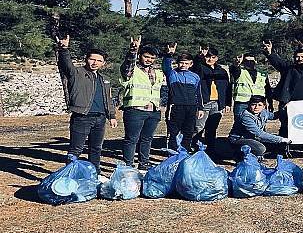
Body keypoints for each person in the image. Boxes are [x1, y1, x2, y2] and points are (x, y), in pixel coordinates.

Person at [55, 35, 117, 179]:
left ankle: (95, 174)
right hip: (82, 117)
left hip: (100, 118)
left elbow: (108, 98)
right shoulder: (76, 73)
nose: (95, 63)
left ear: (103, 63)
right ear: (86, 59)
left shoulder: (104, 79)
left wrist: (111, 116)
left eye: (99, 60)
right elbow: (66, 64)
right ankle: (69, 175)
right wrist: (64, 49)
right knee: (76, 149)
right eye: (92, 59)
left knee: (96, 148)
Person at [120, 35, 166, 171]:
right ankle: (128, 166)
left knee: (147, 139)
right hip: (135, 110)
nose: (149, 60)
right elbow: (128, 65)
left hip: (153, 111)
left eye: (152, 58)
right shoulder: (132, 70)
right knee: (131, 139)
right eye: (146, 56)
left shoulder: (158, 72)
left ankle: (144, 163)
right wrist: (133, 51)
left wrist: (161, 106)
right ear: (140, 55)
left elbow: (163, 90)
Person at [262, 40, 303, 138]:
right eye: (297, 57)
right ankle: (284, 149)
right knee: (286, 127)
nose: (300, 59)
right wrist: (270, 52)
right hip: (288, 104)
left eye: (302, 57)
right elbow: (278, 63)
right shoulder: (288, 69)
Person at [192, 46, 231, 153]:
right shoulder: (200, 68)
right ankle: (194, 149)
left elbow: (227, 88)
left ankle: (210, 150)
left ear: (217, 58)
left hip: (217, 104)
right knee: (198, 127)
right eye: (208, 57)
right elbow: (194, 68)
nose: (210, 59)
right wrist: (199, 57)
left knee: (212, 129)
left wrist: (227, 103)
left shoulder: (222, 71)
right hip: (204, 103)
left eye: (213, 57)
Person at [162, 42, 200, 152]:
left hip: (191, 107)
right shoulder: (172, 74)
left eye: (186, 63)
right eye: (181, 63)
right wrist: (169, 55)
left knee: (188, 131)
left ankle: (185, 151)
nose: (183, 65)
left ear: (191, 64)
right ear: (177, 63)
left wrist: (200, 108)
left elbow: (198, 93)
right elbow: (165, 66)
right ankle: (173, 153)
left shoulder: (195, 77)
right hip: (175, 107)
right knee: (173, 131)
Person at [228, 95, 292, 158]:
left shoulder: (263, 112)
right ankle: (238, 153)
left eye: (259, 105)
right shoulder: (246, 116)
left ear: (264, 106)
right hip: (239, 139)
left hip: (254, 138)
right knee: (260, 148)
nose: (256, 107)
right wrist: (281, 139)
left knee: (278, 144)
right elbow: (259, 133)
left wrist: (284, 109)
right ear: (249, 105)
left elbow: (274, 116)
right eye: (253, 104)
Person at [229, 53, 273, 118]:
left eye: (251, 61)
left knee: (259, 124)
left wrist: (270, 103)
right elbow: (234, 70)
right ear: (243, 62)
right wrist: (236, 64)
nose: (249, 63)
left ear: (255, 62)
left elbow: (268, 90)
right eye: (246, 61)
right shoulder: (239, 72)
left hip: (258, 103)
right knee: (239, 125)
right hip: (242, 103)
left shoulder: (262, 74)